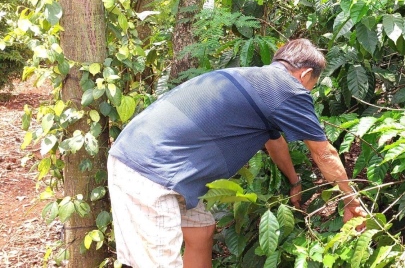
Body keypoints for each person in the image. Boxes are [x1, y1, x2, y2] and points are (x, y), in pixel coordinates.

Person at [107, 39, 365, 268]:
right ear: (305, 74)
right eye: (311, 86)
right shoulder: (287, 89)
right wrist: (352, 202)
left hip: (153, 159)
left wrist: (294, 181)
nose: (307, 93)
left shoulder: (254, 80)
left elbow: (274, 142)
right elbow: (325, 154)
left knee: (201, 231)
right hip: (150, 171)